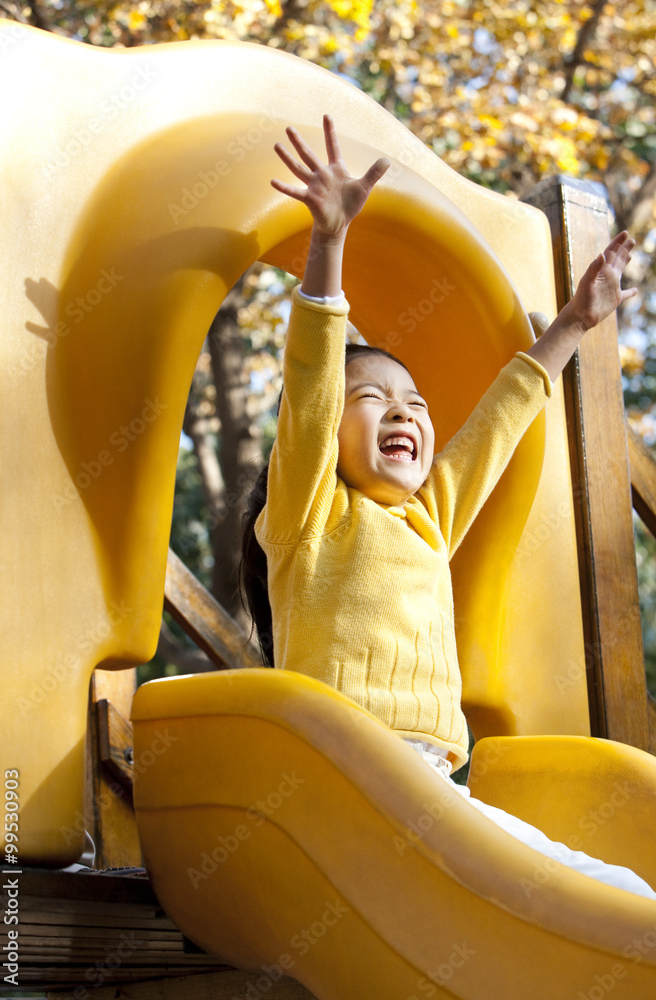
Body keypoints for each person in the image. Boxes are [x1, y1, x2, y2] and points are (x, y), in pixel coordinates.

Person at [240, 115, 655, 899]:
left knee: (591, 888)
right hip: (343, 780)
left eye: (415, 403)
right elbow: (309, 385)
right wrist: (327, 249)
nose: (402, 413)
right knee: (576, 891)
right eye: (371, 399)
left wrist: (570, 324)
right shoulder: (308, 517)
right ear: (322, 436)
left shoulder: (429, 519)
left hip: (430, 789)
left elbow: (497, 424)